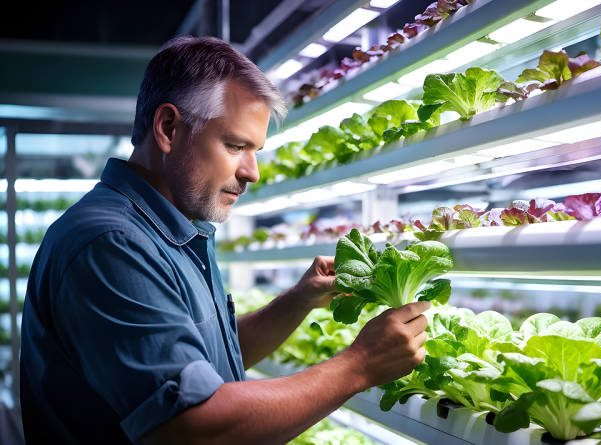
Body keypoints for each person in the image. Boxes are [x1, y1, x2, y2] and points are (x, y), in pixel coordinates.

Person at [19, 35, 429, 445]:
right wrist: (359, 365)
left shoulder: (171, 227)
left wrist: (299, 300)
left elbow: (200, 364)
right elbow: (193, 427)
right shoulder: (111, 243)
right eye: (236, 146)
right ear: (168, 128)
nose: (252, 172)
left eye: (256, 151)